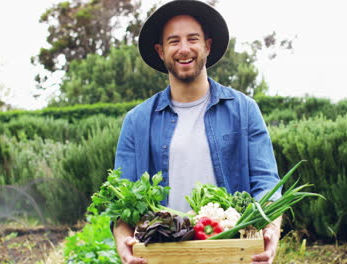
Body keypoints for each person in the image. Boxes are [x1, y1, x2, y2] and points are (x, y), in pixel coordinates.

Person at [112, 1, 282, 263]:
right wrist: (123, 240)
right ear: (160, 51)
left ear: (207, 46)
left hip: (230, 253)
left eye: (193, 39)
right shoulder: (136, 121)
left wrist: (270, 232)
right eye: (173, 41)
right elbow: (121, 200)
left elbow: (267, 185)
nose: (184, 49)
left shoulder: (244, 110)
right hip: (163, 255)